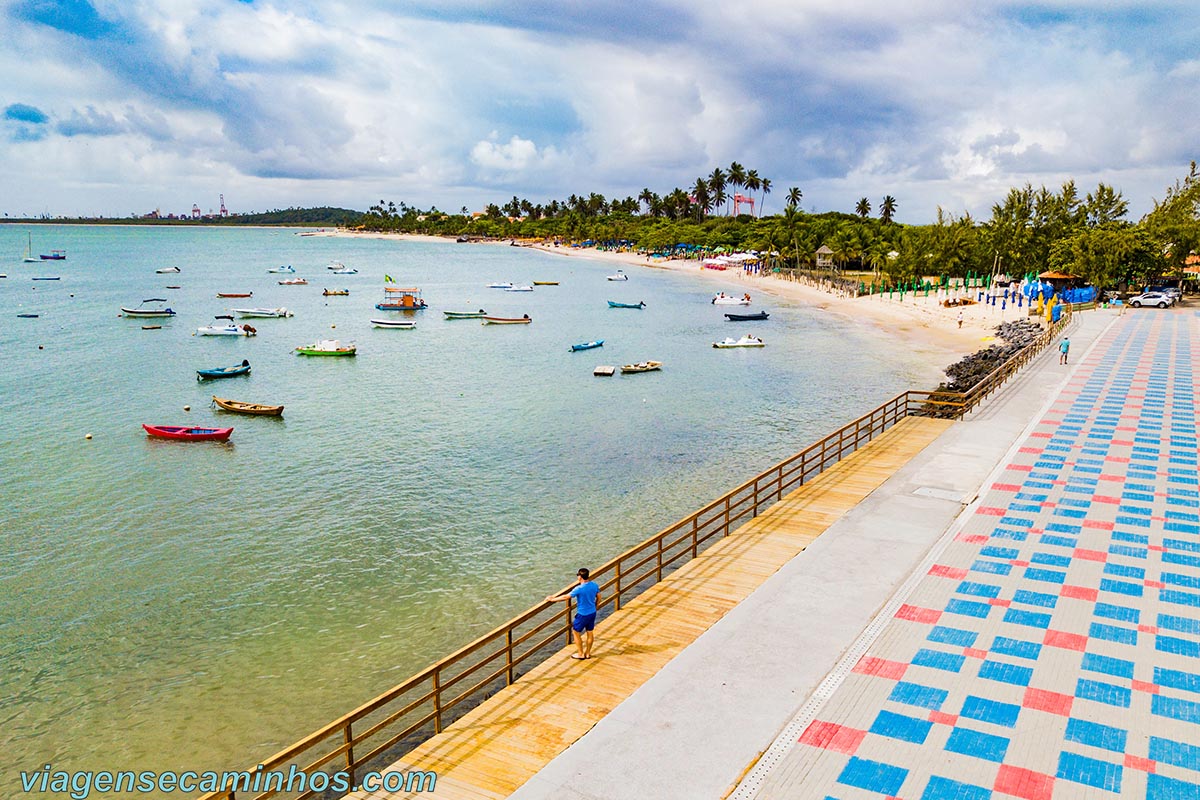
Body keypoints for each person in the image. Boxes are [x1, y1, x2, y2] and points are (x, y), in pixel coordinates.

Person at [546, 568, 600, 660]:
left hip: (582, 614)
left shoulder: (579, 588)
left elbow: (566, 597)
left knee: (575, 632)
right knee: (590, 632)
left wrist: (552, 599)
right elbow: (599, 597)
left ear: (580, 577)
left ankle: (580, 654)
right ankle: (587, 653)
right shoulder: (594, 585)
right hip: (592, 612)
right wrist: (595, 606)